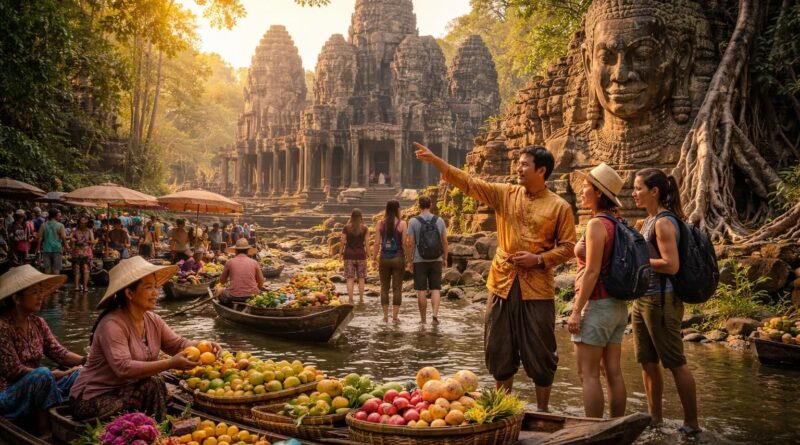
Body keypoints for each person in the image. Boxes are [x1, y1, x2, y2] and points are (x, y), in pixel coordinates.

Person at [414, 142, 576, 411]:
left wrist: (538, 259)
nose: (518, 168)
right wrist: (437, 162)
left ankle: (543, 410)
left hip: (537, 288)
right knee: (499, 346)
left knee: (542, 351)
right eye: (519, 163)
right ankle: (504, 408)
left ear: (542, 170)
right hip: (501, 283)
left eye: (524, 164)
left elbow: (569, 247)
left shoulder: (559, 207)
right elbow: (470, 183)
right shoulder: (506, 194)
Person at [69, 256, 217, 421]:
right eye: (149, 288)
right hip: (91, 398)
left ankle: (156, 430)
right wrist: (170, 363)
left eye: (156, 286)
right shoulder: (112, 324)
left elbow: (178, 344)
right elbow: (123, 368)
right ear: (130, 293)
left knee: (155, 382)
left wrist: (204, 345)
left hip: (125, 388)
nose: (156, 293)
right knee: (154, 382)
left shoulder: (152, 320)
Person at [632, 168, 700, 434]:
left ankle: (692, 424)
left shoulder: (663, 222)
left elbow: (671, 266)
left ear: (654, 191)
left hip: (661, 300)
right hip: (643, 299)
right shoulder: (649, 220)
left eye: (638, 188)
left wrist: (638, 261)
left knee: (675, 362)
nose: (634, 194)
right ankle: (655, 419)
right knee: (647, 362)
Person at [567, 163, 628, 418]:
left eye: (586, 186)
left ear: (599, 193)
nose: (581, 190)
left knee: (588, 374)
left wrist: (576, 311)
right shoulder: (618, 222)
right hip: (617, 307)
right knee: (613, 371)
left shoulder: (596, 225)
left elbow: (592, 271)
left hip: (597, 304)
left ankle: (594, 431)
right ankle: (616, 428)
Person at [0, 265, 85, 435]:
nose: (41, 297)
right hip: (8, 393)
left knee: (83, 373)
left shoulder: (38, 323)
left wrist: (87, 361)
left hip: (41, 381)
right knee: (43, 375)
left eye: (41, 292)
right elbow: (14, 371)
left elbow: (59, 353)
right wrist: (57, 374)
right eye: (34, 293)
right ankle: (45, 432)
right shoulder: (2, 327)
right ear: (17, 298)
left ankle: (74, 417)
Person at [405, 196, 448, 324]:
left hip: (420, 259)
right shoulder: (439, 220)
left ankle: (423, 320)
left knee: (421, 290)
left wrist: (409, 260)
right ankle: (434, 317)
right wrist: (445, 257)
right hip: (436, 259)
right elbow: (445, 242)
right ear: (430, 205)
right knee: (436, 288)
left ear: (419, 206)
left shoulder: (413, 221)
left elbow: (409, 243)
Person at [372, 200, 407, 322]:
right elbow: (404, 243)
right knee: (397, 288)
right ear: (398, 209)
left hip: (384, 259)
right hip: (398, 258)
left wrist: (373, 258)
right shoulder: (402, 224)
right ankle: (395, 317)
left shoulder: (380, 223)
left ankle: (385, 316)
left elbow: (376, 243)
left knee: (384, 287)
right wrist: (407, 259)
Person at [216, 238, 265, 306]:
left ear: (235, 251)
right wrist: (256, 290)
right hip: (251, 296)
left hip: (234, 297)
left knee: (219, 290)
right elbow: (261, 281)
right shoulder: (254, 262)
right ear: (248, 251)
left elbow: (222, 281)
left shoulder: (229, 262)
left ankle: (230, 307)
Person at [340, 209, 370, 304]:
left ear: (351, 217)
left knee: (350, 278)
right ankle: (361, 299)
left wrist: (340, 253)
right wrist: (370, 255)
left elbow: (342, 241)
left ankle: (351, 299)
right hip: (361, 255)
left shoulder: (346, 228)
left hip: (348, 255)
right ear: (361, 217)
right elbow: (367, 243)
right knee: (361, 278)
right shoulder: (365, 228)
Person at [36, 208, 67, 276]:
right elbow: (63, 237)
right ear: (56, 215)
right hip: (57, 249)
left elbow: (40, 237)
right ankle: (56, 286)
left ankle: (48, 285)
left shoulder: (43, 225)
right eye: (58, 215)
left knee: (47, 268)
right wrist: (66, 246)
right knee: (56, 268)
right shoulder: (60, 225)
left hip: (46, 248)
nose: (59, 217)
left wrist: (38, 248)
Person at [70, 216, 95, 292]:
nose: (82, 224)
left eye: (84, 223)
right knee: (77, 269)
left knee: (86, 269)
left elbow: (92, 241)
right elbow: (71, 239)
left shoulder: (89, 230)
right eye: (81, 223)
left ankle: (85, 287)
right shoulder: (74, 230)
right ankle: (77, 286)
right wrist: (72, 241)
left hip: (86, 251)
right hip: (77, 251)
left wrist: (89, 244)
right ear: (79, 223)